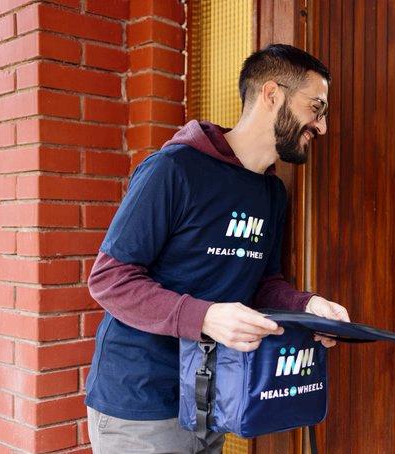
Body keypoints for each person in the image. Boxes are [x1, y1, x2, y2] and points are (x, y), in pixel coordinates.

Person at [84, 44, 350, 453]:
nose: (323, 126)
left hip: (211, 399)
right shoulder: (174, 170)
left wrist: (307, 307)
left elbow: (262, 284)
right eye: (316, 108)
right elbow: (109, 279)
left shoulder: (271, 194)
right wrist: (205, 317)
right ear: (272, 94)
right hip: (141, 404)